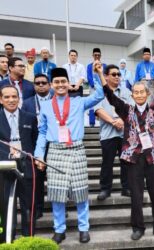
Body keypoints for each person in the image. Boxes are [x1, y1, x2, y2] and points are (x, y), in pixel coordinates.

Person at [102, 55, 154, 241]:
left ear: (147, 94)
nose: (140, 94)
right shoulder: (126, 110)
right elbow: (110, 97)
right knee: (136, 195)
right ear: (132, 95)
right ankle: (138, 227)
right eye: (136, 92)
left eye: (142, 92)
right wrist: (101, 77)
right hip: (133, 158)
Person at [34, 65, 106, 244]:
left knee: (81, 192)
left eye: (63, 82)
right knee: (57, 195)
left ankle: (84, 228)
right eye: (56, 82)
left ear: (69, 83)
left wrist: (97, 74)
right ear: (51, 84)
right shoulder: (45, 106)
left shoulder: (78, 101)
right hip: (56, 151)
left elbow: (100, 95)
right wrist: (39, 154)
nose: (60, 85)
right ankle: (59, 230)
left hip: (76, 150)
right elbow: (42, 132)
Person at [0, 85, 38, 238]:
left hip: (26, 167)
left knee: (28, 206)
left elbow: (35, 142)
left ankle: (28, 239)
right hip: (4, 167)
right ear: (1, 100)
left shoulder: (30, 117)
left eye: (14, 96)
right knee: (5, 207)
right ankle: (7, 240)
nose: (11, 100)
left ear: (19, 98)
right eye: (7, 97)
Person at [95, 64, 133, 200]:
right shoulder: (100, 92)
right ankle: (105, 189)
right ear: (106, 76)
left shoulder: (126, 92)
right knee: (107, 163)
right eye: (114, 74)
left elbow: (131, 108)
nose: (117, 76)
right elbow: (98, 110)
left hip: (125, 133)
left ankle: (126, 188)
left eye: (118, 74)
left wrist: (122, 121)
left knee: (126, 162)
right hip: (108, 134)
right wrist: (113, 121)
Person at [22, 74, 52, 219]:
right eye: (37, 83)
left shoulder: (55, 100)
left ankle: (58, 207)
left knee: (55, 179)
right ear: (34, 86)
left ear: (49, 85)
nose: (40, 85)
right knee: (37, 180)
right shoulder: (27, 103)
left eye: (43, 83)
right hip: (35, 146)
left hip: (54, 145)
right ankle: (38, 208)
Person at [86, 48, 106, 127]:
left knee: (103, 104)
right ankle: (92, 122)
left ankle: (103, 121)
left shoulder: (104, 65)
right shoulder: (89, 66)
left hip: (102, 88)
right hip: (93, 88)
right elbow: (89, 76)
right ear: (92, 55)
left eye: (98, 55)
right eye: (95, 55)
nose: (97, 56)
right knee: (92, 104)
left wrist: (104, 86)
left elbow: (106, 76)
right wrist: (94, 85)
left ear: (100, 56)